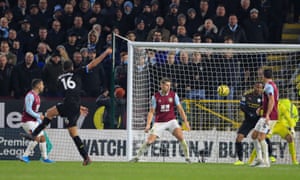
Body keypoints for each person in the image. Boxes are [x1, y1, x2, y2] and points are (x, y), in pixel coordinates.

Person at [21, 47, 113, 166]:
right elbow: (93, 64)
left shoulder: (60, 78)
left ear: (63, 69)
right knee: (73, 133)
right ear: (72, 68)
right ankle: (86, 157)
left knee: (49, 113)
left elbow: (66, 91)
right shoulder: (77, 72)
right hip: (74, 106)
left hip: (68, 104)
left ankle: (33, 135)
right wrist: (105, 53)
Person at [130, 78, 191, 163]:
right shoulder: (155, 97)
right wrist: (148, 124)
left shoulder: (174, 95)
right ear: (161, 85)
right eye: (166, 85)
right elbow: (151, 112)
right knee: (149, 141)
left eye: (169, 85)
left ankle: (187, 158)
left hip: (171, 121)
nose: (168, 87)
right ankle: (137, 157)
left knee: (181, 137)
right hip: (159, 122)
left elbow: (180, 109)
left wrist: (186, 121)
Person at [248, 96, 299, 165]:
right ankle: (251, 160)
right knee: (262, 139)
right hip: (271, 125)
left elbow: (288, 117)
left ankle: (294, 160)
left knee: (290, 138)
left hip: (280, 125)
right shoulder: (267, 106)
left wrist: (292, 128)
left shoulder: (281, 106)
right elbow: (262, 114)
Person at [18, 79, 54, 163]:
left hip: (34, 121)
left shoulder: (37, 96)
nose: (43, 86)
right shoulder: (30, 95)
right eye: (42, 84)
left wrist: (41, 123)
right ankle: (24, 156)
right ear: (38, 86)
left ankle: (45, 158)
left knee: (42, 138)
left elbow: (35, 112)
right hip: (27, 121)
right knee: (36, 138)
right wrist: (39, 116)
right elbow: (28, 110)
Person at [251, 69, 279, 167]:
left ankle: (266, 162)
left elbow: (272, 101)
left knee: (261, 138)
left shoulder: (269, 86)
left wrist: (267, 115)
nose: (260, 77)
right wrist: (261, 107)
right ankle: (259, 159)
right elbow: (270, 100)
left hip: (270, 116)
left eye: (261, 75)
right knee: (254, 135)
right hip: (266, 115)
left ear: (264, 76)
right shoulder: (272, 85)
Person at [233, 82, 264, 165]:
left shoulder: (263, 98)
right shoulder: (247, 96)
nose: (258, 89)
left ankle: (269, 156)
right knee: (239, 138)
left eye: (260, 88)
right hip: (248, 121)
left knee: (262, 138)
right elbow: (242, 106)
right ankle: (240, 160)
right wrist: (249, 113)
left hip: (259, 121)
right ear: (254, 87)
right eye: (257, 87)